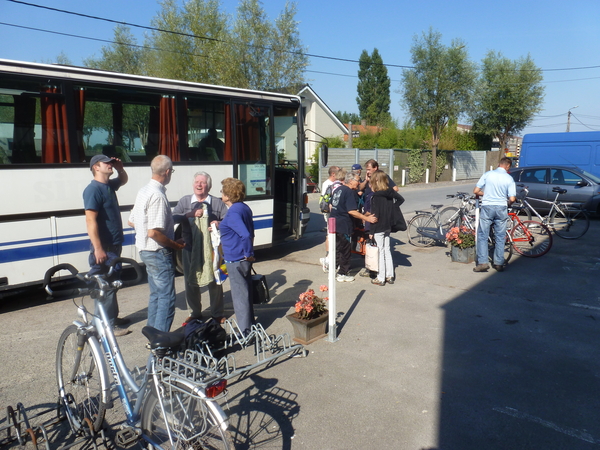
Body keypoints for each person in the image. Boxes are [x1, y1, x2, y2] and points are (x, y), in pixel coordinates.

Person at [128, 155, 185, 332]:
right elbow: (153, 232)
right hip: (158, 252)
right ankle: (160, 343)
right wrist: (175, 245)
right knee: (167, 299)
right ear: (167, 172)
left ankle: (151, 332)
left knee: (156, 295)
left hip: (145, 251)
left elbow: (132, 221)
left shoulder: (143, 191)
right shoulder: (158, 196)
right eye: (172, 171)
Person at [83, 154, 130, 336]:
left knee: (113, 283)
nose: (110, 165)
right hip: (105, 247)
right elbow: (90, 220)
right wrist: (98, 248)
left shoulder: (108, 185)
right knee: (105, 284)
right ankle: (107, 325)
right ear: (96, 167)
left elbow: (124, 179)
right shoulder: (93, 190)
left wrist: (120, 167)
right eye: (107, 163)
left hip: (114, 245)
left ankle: (112, 317)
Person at [173, 172, 228, 324]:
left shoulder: (217, 203)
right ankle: (195, 313)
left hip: (211, 249)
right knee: (191, 281)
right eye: (197, 182)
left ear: (208, 186)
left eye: (202, 183)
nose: (199, 185)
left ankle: (217, 313)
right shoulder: (185, 201)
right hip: (190, 247)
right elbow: (174, 217)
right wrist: (189, 214)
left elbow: (227, 221)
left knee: (214, 280)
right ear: (193, 184)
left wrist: (218, 224)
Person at [219, 177, 256, 336]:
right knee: (245, 293)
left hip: (236, 259)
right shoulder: (243, 207)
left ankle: (244, 332)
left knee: (239, 296)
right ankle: (250, 325)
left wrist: (248, 254)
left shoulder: (233, 211)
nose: (221, 194)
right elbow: (249, 232)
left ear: (228, 195)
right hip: (243, 259)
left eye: (222, 191)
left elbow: (245, 234)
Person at [330, 172, 377, 282]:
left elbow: (332, 205)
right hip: (343, 224)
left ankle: (335, 269)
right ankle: (342, 273)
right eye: (357, 180)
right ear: (350, 180)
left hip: (334, 223)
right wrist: (367, 218)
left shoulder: (338, 189)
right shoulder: (349, 192)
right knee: (345, 249)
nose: (359, 183)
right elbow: (351, 211)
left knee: (337, 248)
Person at [473, 157, 517, 273]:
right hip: (501, 207)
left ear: (499, 164)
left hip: (487, 206)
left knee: (483, 235)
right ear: (508, 166)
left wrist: (485, 194)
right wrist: (507, 202)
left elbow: (476, 191)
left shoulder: (488, 174)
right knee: (500, 236)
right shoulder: (509, 178)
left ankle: (483, 263)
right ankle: (498, 263)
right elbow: (512, 198)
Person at [369, 170, 405, 286]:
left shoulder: (376, 196)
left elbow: (375, 215)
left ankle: (381, 277)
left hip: (379, 226)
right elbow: (401, 199)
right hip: (388, 225)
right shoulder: (390, 191)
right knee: (387, 250)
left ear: (376, 180)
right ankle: (390, 275)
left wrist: (371, 231)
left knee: (380, 251)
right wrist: (393, 208)